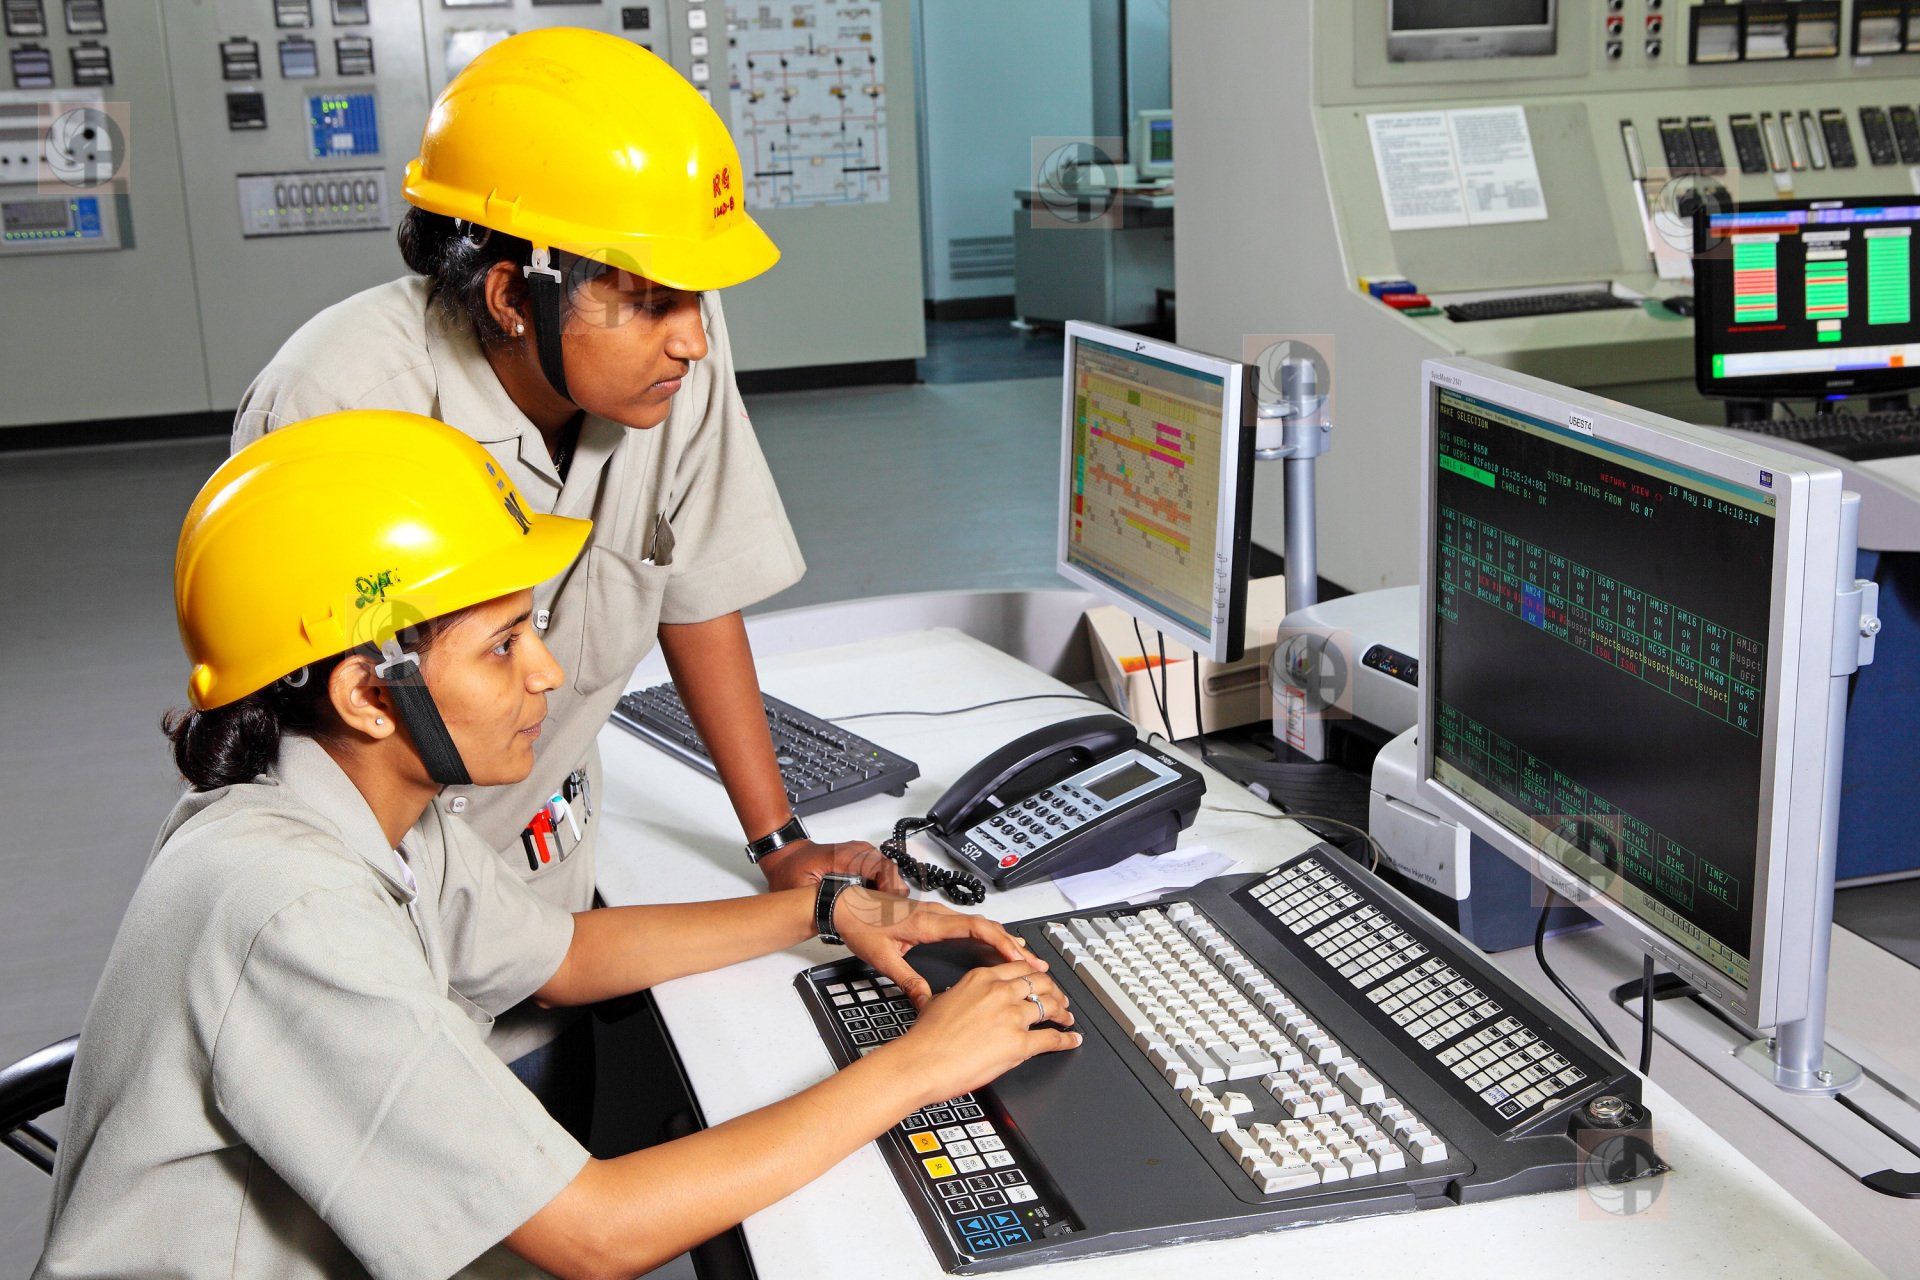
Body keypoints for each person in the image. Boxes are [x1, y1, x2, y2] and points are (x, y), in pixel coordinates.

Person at [34, 411, 1079, 1280]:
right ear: (365, 691)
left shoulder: (357, 800)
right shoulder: (292, 905)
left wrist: (822, 908)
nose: (546, 672)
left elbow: (562, 953)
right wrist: (920, 1066)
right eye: (501, 646)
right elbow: (596, 1234)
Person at [232, 27, 906, 1117]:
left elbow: (691, 583)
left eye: (696, 296)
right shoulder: (342, 409)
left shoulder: (667, 356)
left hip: (547, 888)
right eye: (649, 299)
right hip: (390, 904)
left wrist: (779, 843)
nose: (694, 340)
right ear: (513, 294)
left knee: (597, 1100)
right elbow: (323, 750)